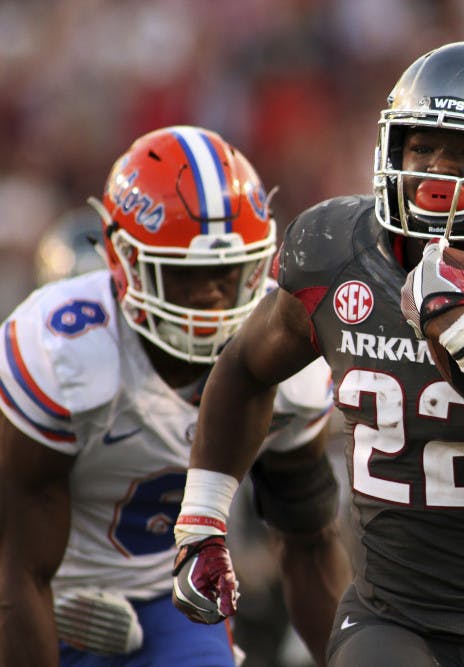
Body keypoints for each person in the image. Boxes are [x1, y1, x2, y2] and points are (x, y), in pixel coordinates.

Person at [169, 41, 464, 667]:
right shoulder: (335, 252)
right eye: (422, 147)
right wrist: (203, 519)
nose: (436, 173)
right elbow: (241, 369)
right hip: (393, 618)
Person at [0, 125, 350, 667]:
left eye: (227, 273)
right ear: (124, 260)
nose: (211, 296)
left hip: (170, 597)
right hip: (35, 587)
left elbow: (308, 545)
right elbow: (16, 572)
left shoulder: (284, 358)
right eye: (186, 276)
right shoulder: (62, 351)